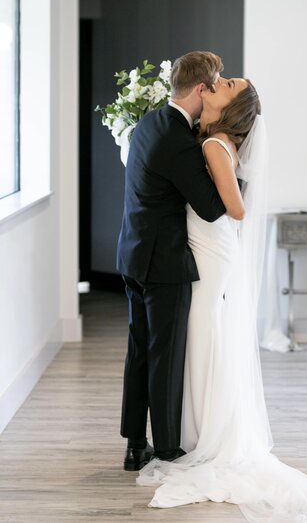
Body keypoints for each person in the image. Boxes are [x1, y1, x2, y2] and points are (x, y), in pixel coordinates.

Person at [137, 78, 307, 522]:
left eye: (228, 84)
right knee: (206, 331)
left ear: (233, 104)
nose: (220, 82)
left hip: (210, 247)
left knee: (204, 329)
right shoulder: (210, 141)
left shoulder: (212, 147)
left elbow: (238, 208)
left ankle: (209, 435)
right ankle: (205, 429)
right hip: (209, 247)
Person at [116, 51, 228, 471]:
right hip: (163, 264)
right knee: (165, 355)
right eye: (215, 84)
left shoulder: (147, 124)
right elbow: (213, 208)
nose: (217, 90)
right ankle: (165, 448)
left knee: (139, 351)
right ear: (201, 88)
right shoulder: (179, 142)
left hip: (132, 254)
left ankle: (133, 444)